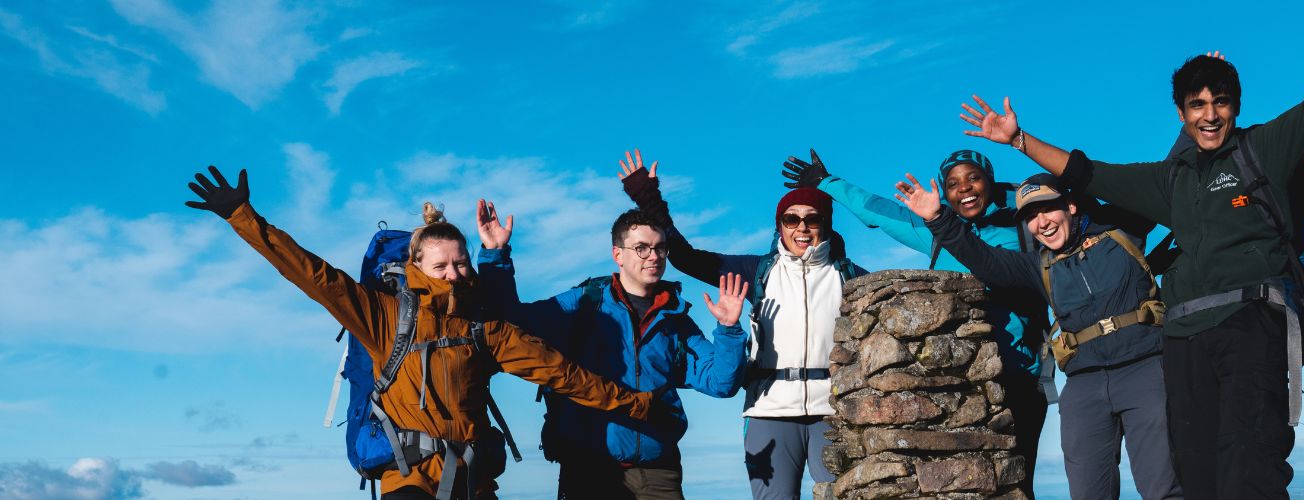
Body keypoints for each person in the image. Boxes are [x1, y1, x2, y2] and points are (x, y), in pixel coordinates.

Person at [958, 1, 1304, 497]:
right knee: (1194, 472)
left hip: (1251, 319)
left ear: (1236, 106)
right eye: (1197, 105)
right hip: (1181, 336)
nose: (1210, 114)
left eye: (1220, 101)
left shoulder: (1262, 149)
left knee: (1252, 463)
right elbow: (1086, 173)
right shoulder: (1168, 182)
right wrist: (1019, 140)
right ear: (1181, 115)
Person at [183, 166, 657, 499]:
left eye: (460, 262)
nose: (452, 272)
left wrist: (638, 405)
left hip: (473, 480)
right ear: (416, 266)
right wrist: (243, 217)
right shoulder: (382, 315)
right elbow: (313, 275)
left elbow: (562, 374)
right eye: (441, 264)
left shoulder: (485, 328)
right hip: (407, 480)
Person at [781, 148, 1051, 495]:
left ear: (990, 182)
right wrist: (826, 182)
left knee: (1014, 480)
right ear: (943, 191)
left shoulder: (1022, 226)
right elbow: (880, 212)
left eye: (973, 178)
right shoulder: (938, 230)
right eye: (952, 183)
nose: (964, 188)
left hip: (1019, 373)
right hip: (959, 381)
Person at [896, 173, 1181, 500]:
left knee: (1163, 487)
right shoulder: (1038, 266)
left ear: (1070, 205)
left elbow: (1165, 179)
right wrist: (937, 217)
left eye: (1047, 209)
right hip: (1083, 385)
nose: (1041, 222)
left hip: (1145, 371)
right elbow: (983, 259)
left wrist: (1020, 140)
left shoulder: (1121, 232)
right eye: (1030, 217)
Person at [616, 149, 868, 500]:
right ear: (779, 225)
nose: (802, 227)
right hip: (769, 411)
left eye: (812, 218)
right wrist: (647, 197)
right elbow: (687, 258)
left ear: (825, 224)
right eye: (791, 219)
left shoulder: (853, 278)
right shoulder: (758, 271)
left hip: (835, 411)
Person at [473, 199, 750, 500]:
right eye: (642, 248)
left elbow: (722, 383)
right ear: (617, 254)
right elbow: (514, 323)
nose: (654, 256)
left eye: (660, 248)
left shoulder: (675, 319)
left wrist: (729, 329)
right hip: (589, 468)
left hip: (659, 470)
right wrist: (495, 255)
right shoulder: (585, 303)